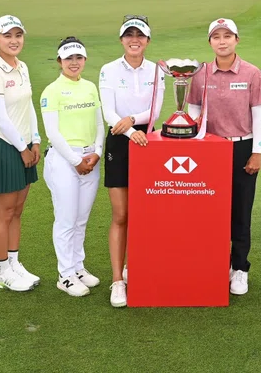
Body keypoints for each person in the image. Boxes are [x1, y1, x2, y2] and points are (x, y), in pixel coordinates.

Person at [188, 18, 261, 296]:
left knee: (241, 210)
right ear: (210, 42)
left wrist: (257, 152)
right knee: (211, 211)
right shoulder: (200, 74)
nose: (222, 41)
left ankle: (240, 268)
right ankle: (215, 263)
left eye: (227, 36)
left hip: (242, 148)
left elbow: (259, 115)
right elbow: (193, 110)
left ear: (237, 39)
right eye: (216, 37)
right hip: (210, 150)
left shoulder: (252, 73)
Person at [99, 16, 165, 308]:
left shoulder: (157, 70)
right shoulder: (109, 70)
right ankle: (117, 279)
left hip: (148, 142)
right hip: (119, 141)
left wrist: (133, 122)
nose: (134, 39)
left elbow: (155, 110)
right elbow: (109, 112)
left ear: (148, 41)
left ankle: (136, 267)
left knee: (145, 213)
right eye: (129, 35)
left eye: (140, 35)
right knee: (121, 214)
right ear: (122, 39)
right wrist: (128, 129)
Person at [0, 15, 42, 293]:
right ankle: (1, 270)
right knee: (4, 212)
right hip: (5, 147)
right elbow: (1, 118)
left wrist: (36, 140)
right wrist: (22, 148)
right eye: (7, 36)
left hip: (25, 145)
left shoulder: (22, 67)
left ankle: (14, 264)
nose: (14, 41)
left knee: (17, 210)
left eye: (18, 35)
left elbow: (28, 106)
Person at [41, 36, 106, 298]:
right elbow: (53, 132)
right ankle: (65, 275)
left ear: (85, 60)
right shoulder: (52, 91)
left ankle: (78, 267)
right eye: (69, 58)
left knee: (81, 219)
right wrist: (76, 161)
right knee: (66, 220)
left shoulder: (90, 87)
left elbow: (100, 124)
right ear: (60, 61)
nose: (74, 63)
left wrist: (98, 152)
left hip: (90, 159)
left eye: (78, 58)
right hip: (64, 161)